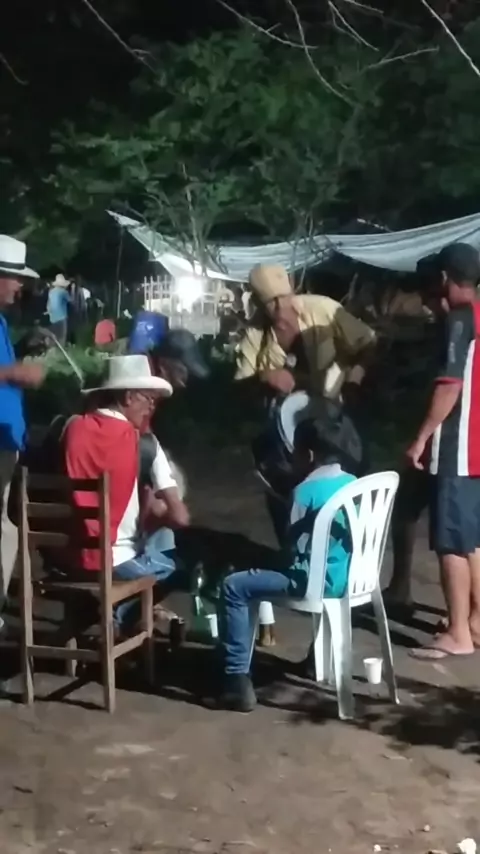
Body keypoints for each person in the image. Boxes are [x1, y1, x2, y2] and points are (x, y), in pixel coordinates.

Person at [217, 413, 357, 712]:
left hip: (310, 582)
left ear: (308, 455)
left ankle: (236, 681)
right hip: (347, 578)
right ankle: (316, 660)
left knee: (234, 586)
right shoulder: (353, 483)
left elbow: (291, 550)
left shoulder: (304, 492)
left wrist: (284, 498)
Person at [236, 263, 374, 543]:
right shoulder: (256, 334)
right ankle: (294, 553)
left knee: (342, 491)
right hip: (288, 432)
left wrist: (355, 377)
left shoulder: (322, 309)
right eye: (270, 303)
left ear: (292, 292)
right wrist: (264, 377)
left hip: (334, 420)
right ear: (259, 305)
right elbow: (240, 387)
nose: (279, 308)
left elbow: (369, 342)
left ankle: (341, 552)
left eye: (282, 299)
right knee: (285, 496)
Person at [58, 354, 190, 632]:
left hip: (67, 558)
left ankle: (101, 615)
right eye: (148, 398)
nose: (152, 406)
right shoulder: (144, 443)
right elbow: (181, 518)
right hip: (115, 562)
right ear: (128, 397)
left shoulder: (70, 428)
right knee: (177, 568)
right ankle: (114, 617)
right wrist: (154, 519)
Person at [406, 243, 480, 659]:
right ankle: (476, 620)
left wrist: (422, 436)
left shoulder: (459, 319)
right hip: (478, 446)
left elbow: (450, 386)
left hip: (457, 444)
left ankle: (458, 633)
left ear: (445, 278)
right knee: (473, 539)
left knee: (450, 542)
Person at [0, 235, 45, 629]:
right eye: (14, 278)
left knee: (6, 527)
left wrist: (21, 349)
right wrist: (13, 372)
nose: (20, 286)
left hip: (6, 441)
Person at [46, 273, 72, 344]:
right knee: (62, 337)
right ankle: (60, 349)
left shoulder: (51, 292)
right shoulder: (64, 292)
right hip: (62, 317)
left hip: (52, 318)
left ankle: (52, 348)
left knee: (54, 336)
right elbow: (71, 301)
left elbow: (48, 305)